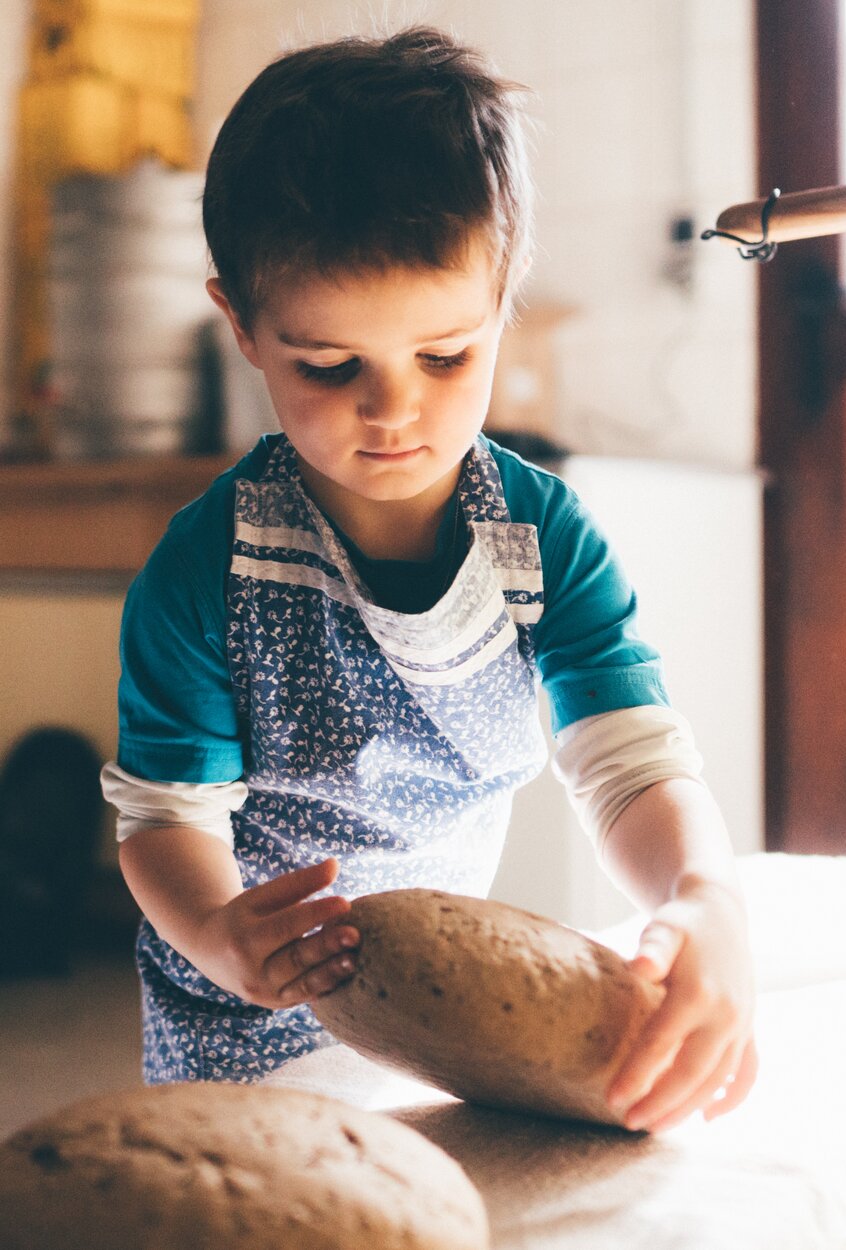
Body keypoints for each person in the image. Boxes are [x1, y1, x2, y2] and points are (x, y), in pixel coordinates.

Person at [101, 26, 756, 1133]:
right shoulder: (203, 571)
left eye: (443, 355)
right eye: (330, 365)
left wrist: (704, 895)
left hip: (430, 1000)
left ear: (501, 300)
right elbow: (165, 819)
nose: (392, 408)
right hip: (252, 1014)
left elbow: (629, 761)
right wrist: (218, 930)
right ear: (243, 329)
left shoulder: (541, 540)